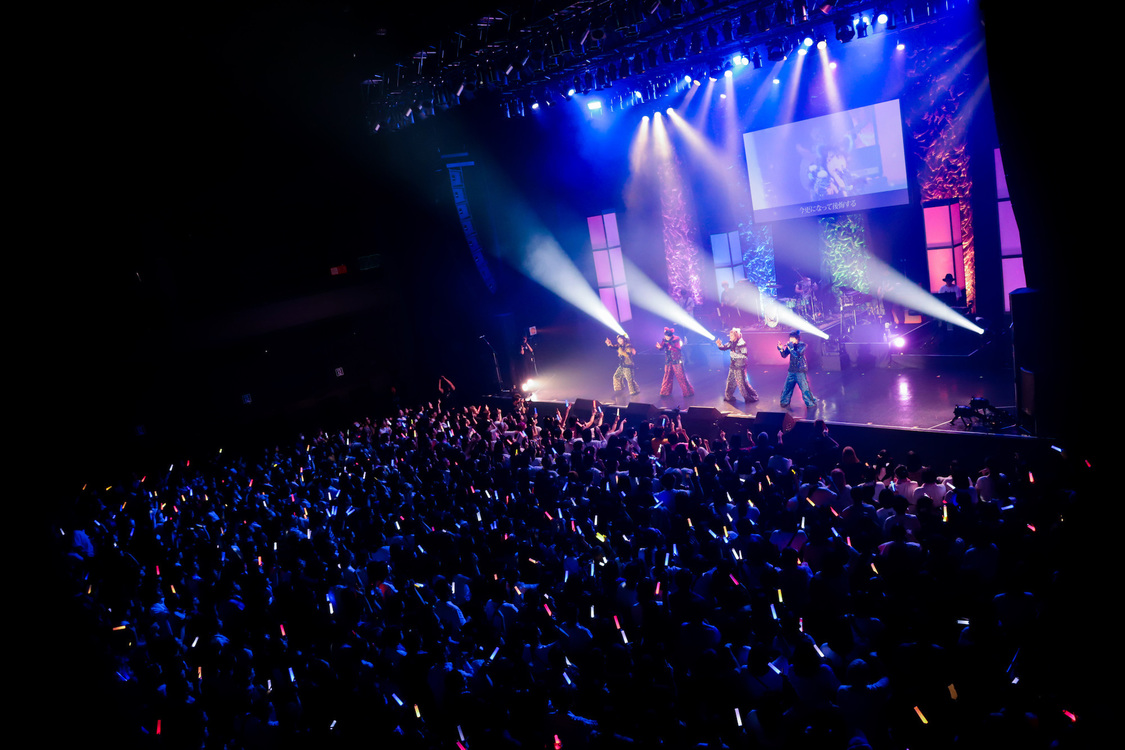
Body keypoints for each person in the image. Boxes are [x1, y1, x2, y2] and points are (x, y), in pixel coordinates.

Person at [715, 328, 759, 404]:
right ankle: (728, 397)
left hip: (740, 366)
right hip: (733, 365)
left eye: (731, 335)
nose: (730, 337)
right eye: (730, 335)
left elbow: (744, 355)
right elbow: (724, 347)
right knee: (730, 381)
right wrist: (719, 345)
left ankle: (749, 397)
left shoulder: (742, 343)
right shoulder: (731, 342)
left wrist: (734, 354)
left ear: (736, 336)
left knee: (742, 383)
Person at [777, 329, 817, 409]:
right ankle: (784, 402)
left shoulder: (802, 345)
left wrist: (791, 348)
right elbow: (784, 355)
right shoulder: (791, 346)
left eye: (792, 338)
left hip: (800, 370)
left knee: (804, 389)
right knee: (787, 387)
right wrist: (781, 349)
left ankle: (810, 402)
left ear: (797, 339)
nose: (790, 340)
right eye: (790, 338)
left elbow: (797, 355)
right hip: (791, 370)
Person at [656, 326, 694, 398]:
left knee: (681, 376)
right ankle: (665, 392)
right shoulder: (664, 339)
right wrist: (659, 347)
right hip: (668, 360)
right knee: (667, 376)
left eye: (668, 337)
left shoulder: (676, 339)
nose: (666, 338)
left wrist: (670, 343)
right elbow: (662, 346)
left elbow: (678, 348)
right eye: (666, 337)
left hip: (676, 360)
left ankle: (688, 392)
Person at [605, 334, 641, 401]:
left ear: (624, 339)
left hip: (628, 365)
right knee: (616, 376)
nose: (620, 341)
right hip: (622, 365)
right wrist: (609, 344)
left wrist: (622, 352)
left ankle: (634, 391)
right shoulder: (619, 345)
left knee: (629, 380)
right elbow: (613, 347)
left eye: (621, 339)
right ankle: (619, 389)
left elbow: (628, 354)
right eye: (618, 340)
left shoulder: (628, 345)